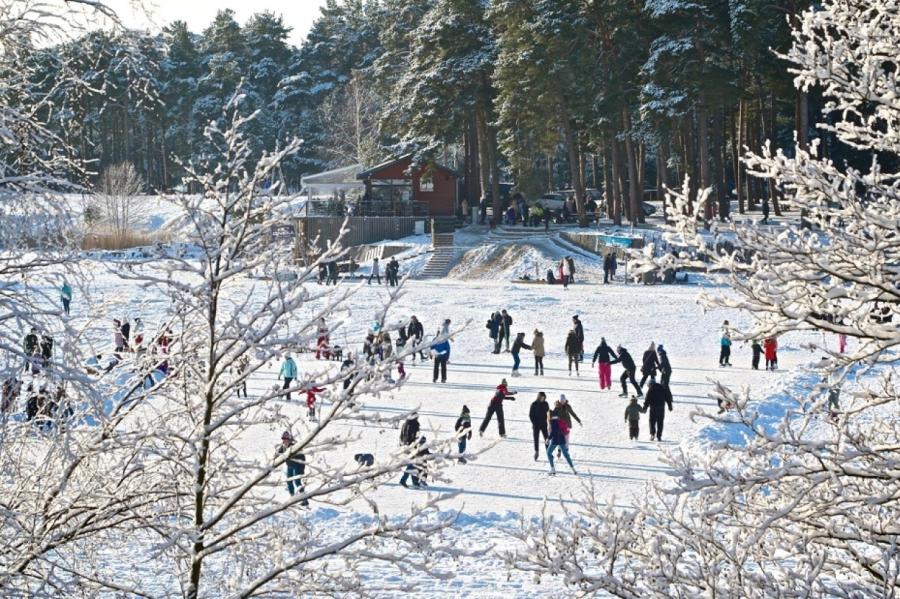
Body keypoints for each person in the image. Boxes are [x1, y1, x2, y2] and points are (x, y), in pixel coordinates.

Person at [275, 431, 308, 504]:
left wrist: (302, 469)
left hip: (297, 466)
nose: (284, 440)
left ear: (289, 439)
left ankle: (304, 500)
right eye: (283, 438)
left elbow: (302, 457)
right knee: (289, 481)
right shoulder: (283, 447)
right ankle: (292, 498)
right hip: (290, 465)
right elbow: (278, 455)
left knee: (297, 482)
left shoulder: (294, 446)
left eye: (286, 438)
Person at [546, 409, 576, 476]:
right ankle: (573, 469)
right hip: (562, 440)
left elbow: (553, 432)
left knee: (548, 452)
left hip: (555, 440)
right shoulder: (559, 420)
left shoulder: (552, 421)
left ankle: (552, 468)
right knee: (566, 454)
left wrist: (548, 438)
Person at [529, 392, 549, 461]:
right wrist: (534, 423)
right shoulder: (534, 404)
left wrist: (549, 420)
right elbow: (531, 415)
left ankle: (548, 452)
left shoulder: (546, 404)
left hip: (544, 424)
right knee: (536, 439)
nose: (542, 399)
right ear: (539, 397)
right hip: (536, 425)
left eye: (544, 398)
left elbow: (548, 413)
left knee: (547, 438)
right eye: (541, 398)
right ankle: (536, 452)